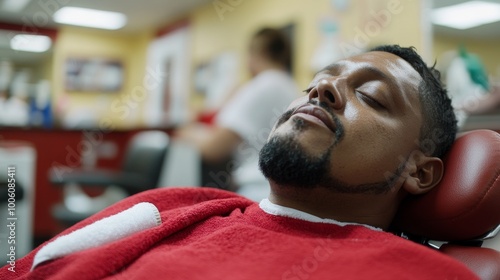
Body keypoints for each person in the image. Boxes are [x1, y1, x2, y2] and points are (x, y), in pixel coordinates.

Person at [2, 45, 478, 279]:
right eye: (317, 80)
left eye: (372, 96)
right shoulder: (169, 208)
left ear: (420, 171)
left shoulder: (422, 274)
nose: (320, 90)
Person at [176, 27, 299, 201]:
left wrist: (188, 132)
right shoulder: (290, 86)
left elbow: (214, 149)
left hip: (257, 191)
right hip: (280, 191)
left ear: (256, 52)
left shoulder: (261, 85)